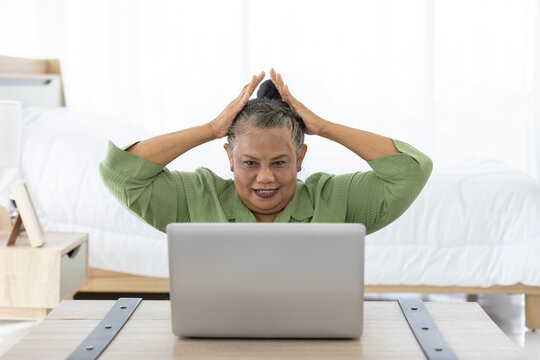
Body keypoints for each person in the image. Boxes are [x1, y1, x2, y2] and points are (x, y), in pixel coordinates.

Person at [99, 69, 432, 234]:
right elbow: (121, 173)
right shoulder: (196, 197)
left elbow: (411, 170)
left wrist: (323, 126)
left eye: (280, 162)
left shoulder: (335, 198)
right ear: (229, 158)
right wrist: (211, 129)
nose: (265, 177)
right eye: (249, 163)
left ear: (300, 158)